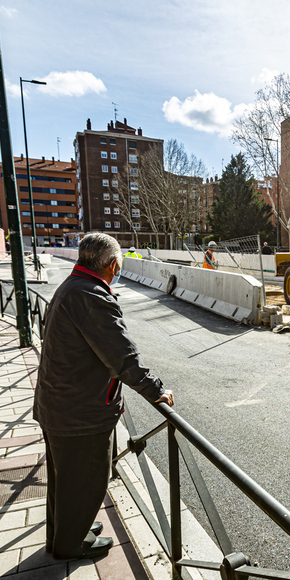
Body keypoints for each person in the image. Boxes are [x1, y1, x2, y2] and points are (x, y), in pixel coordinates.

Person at [33, 232, 174, 559]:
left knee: (64, 480)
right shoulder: (92, 296)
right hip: (80, 411)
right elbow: (122, 356)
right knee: (85, 482)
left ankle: (65, 532)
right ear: (112, 265)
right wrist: (156, 390)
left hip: (58, 404)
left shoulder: (71, 287)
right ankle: (71, 544)